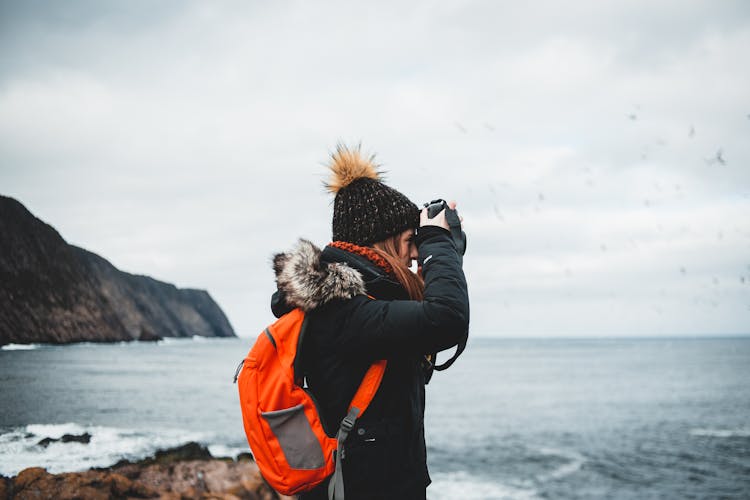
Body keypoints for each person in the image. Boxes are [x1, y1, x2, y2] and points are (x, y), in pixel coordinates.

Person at [269, 144, 469, 499]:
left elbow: (413, 370)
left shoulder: (361, 309)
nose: (414, 253)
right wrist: (438, 242)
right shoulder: (343, 312)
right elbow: (447, 320)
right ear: (381, 242)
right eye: (411, 242)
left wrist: (438, 265)